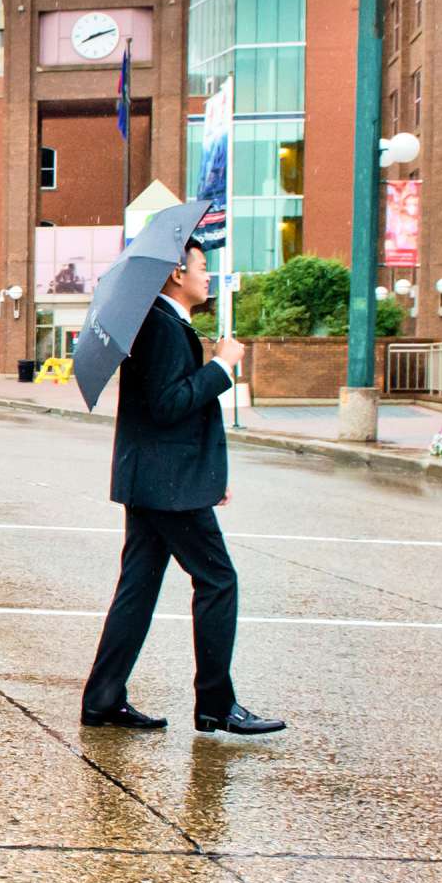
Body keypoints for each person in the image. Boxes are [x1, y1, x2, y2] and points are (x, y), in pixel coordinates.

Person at [79, 238, 285, 736]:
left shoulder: (160, 324)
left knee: (138, 589)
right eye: (201, 266)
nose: (207, 275)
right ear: (176, 273)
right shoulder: (163, 329)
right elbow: (169, 405)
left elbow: (164, 409)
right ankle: (216, 703)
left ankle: (104, 698)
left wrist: (210, 477)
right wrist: (221, 366)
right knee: (218, 580)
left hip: (156, 481)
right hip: (167, 485)